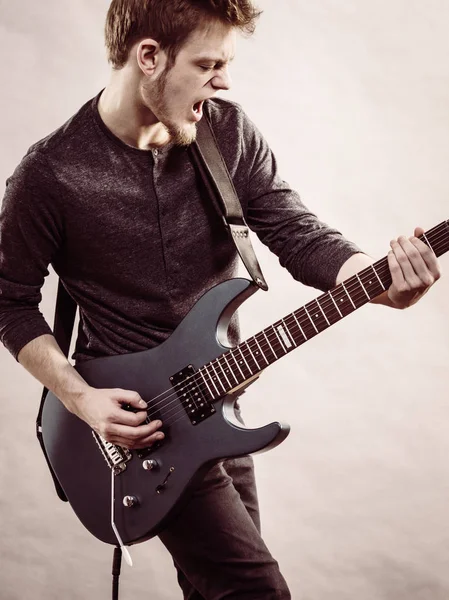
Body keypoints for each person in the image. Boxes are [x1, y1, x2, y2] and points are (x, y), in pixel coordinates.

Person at [0, 1, 441, 598]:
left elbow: (296, 232)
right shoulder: (50, 174)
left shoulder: (226, 131)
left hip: (219, 411)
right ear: (149, 57)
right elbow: (9, 301)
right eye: (209, 65)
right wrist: (82, 400)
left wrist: (378, 278)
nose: (225, 82)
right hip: (144, 430)